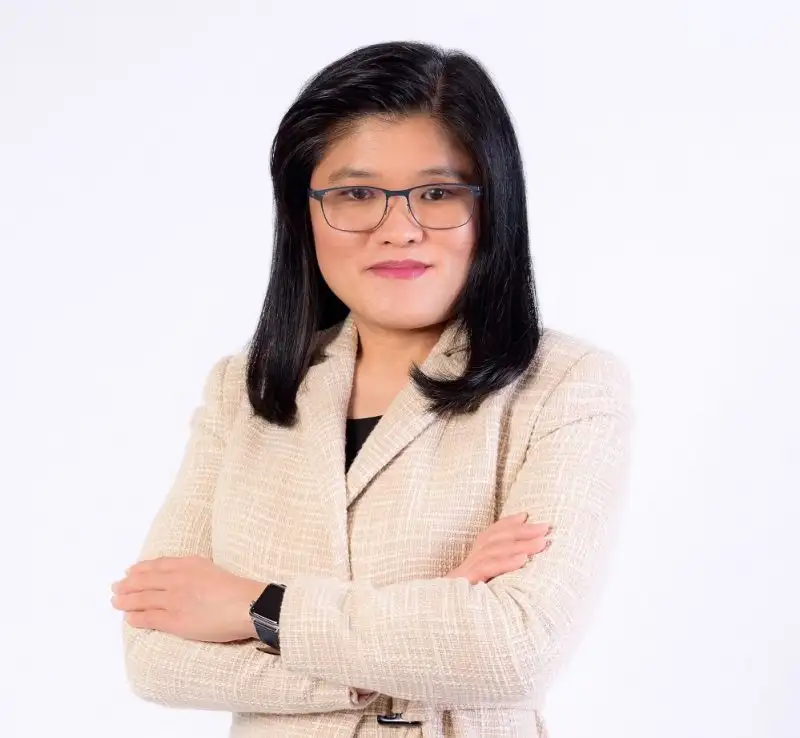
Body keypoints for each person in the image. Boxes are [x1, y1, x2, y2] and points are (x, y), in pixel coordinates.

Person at [110, 40, 633, 738]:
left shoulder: (566, 386)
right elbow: (155, 655)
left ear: (493, 207)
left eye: (438, 193)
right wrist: (429, 620)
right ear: (303, 213)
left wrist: (256, 607)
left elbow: (515, 648)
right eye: (356, 194)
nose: (400, 230)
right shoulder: (244, 388)